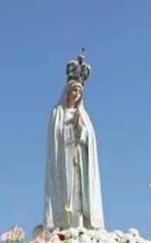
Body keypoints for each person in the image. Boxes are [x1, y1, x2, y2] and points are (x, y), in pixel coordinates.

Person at [43, 52, 104, 231]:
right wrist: (70, 129)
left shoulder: (84, 115)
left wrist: (81, 130)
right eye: (74, 90)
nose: (76, 94)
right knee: (67, 191)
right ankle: (64, 225)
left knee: (79, 191)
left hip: (80, 158)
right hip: (65, 158)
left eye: (79, 91)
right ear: (68, 92)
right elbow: (56, 138)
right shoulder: (58, 113)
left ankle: (81, 224)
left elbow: (90, 140)